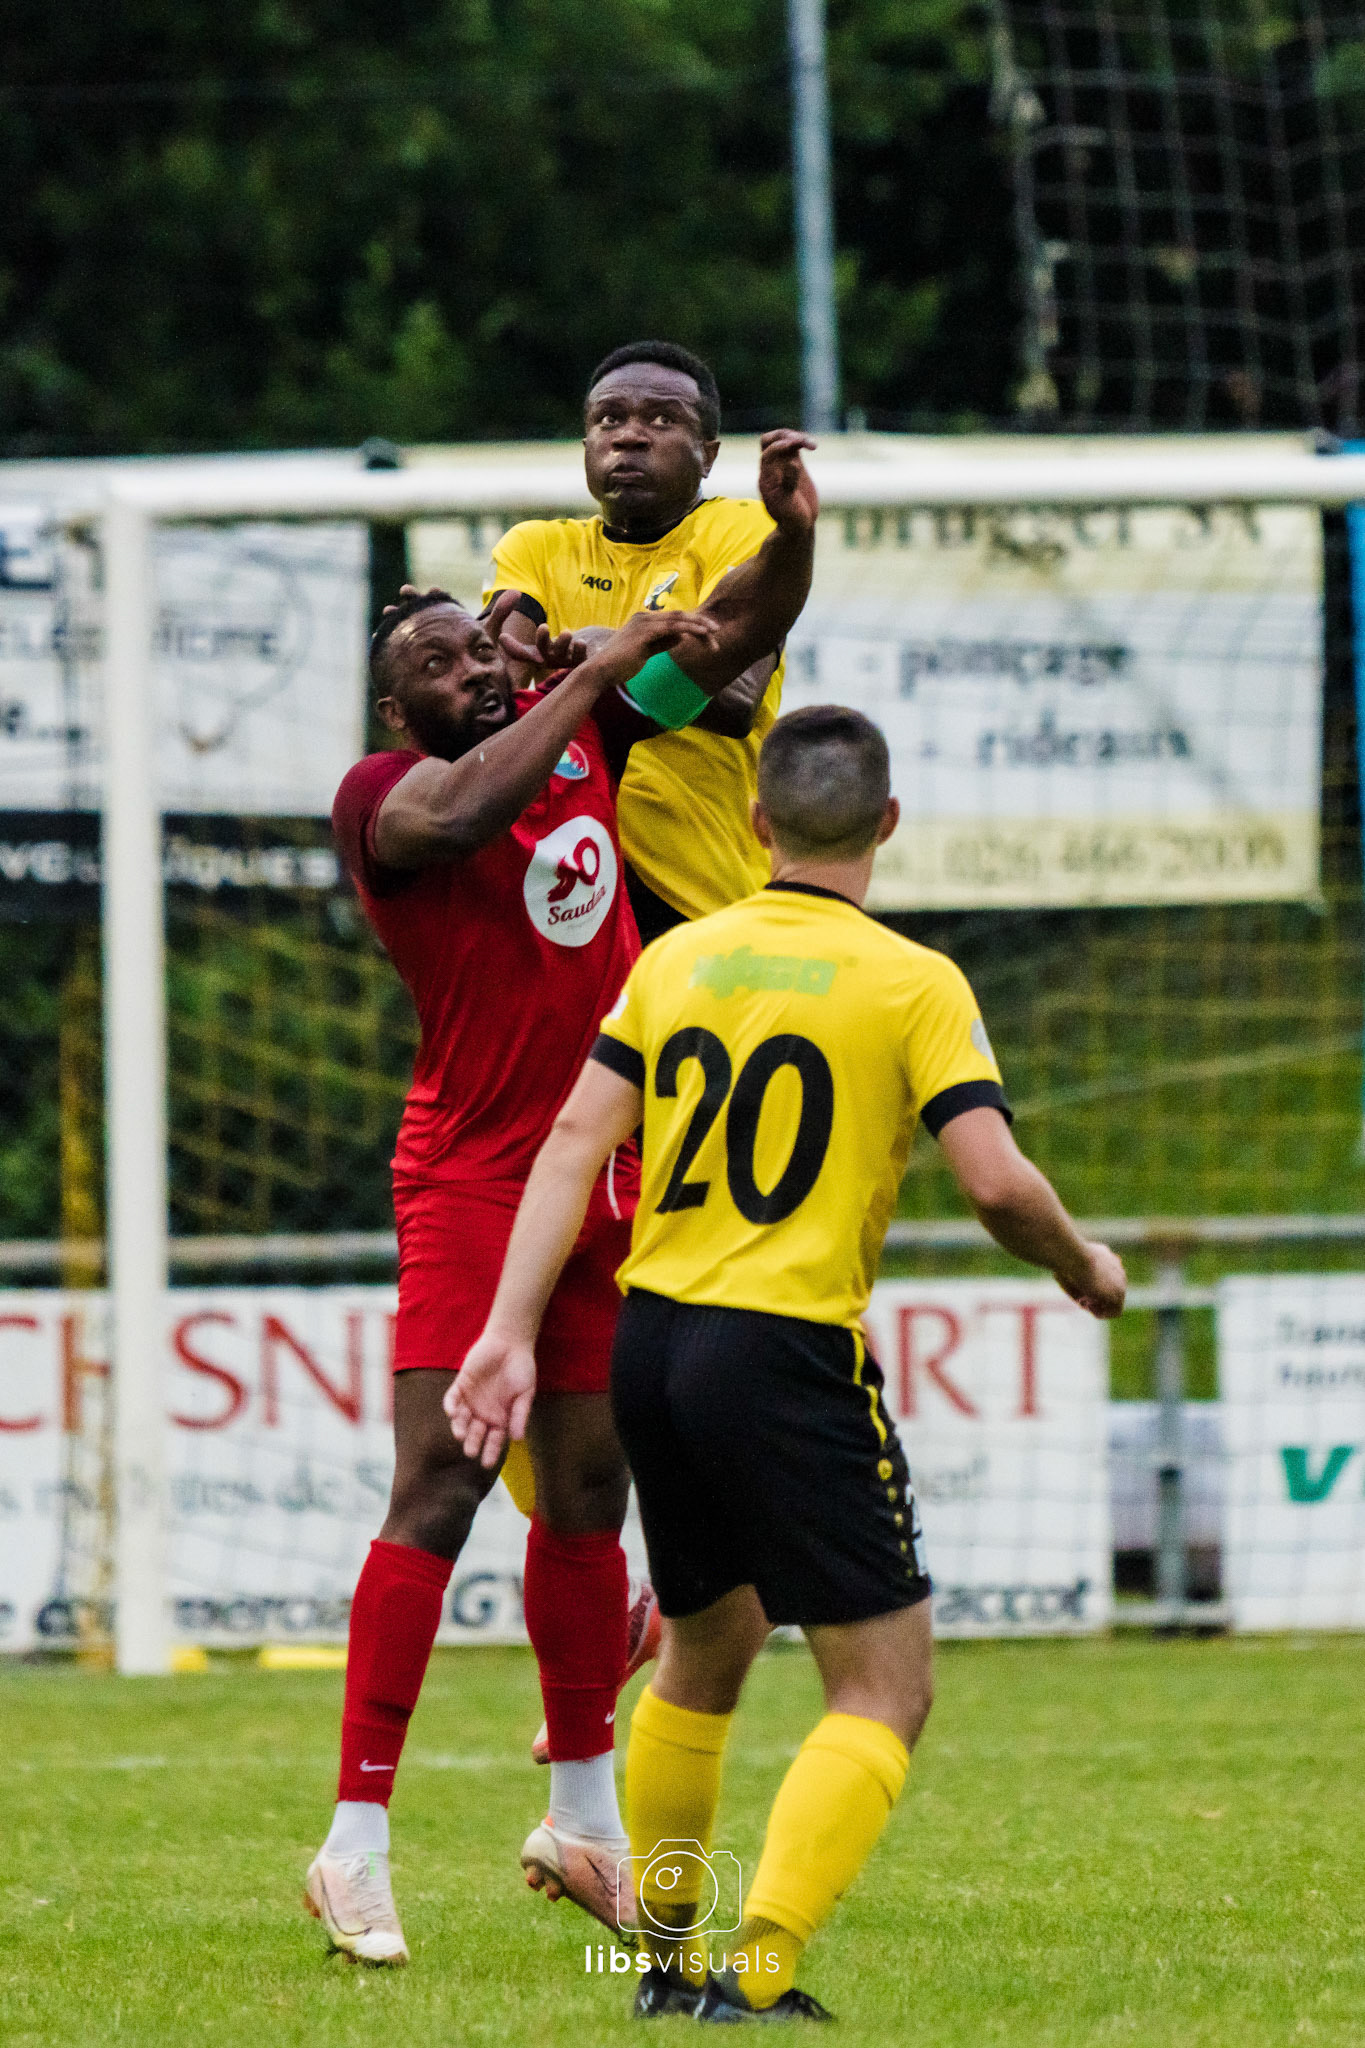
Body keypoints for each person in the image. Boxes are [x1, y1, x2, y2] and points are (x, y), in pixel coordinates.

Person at [450, 704, 1127, 2020]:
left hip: (654, 1342)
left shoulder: (679, 960)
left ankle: (664, 1967)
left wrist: (506, 1329)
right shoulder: (914, 981)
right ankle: (756, 1979)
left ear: (756, 820)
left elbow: (576, 1141)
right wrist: (1082, 1263)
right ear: (888, 822)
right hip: (783, 1346)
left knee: (705, 1653)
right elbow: (994, 1181)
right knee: (884, 1685)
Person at [303, 432, 819, 1968]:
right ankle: (351, 1845)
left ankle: (582, 1821)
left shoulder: (591, 735)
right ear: (395, 709)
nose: (472, 665)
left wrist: (791, 534)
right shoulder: (383, 796)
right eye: (438, 661)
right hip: (471, 1180)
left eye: (479, 645)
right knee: (441, 1487)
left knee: (592, 1495)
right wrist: (585, 669)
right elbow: (468, 815)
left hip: (604, 1175)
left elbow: (735, 630)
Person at [486, 340, 787, 947]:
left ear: (708, 454)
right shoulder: (536, 547)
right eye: (609, 418)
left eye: (662, 419)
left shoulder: (740, 528)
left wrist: (611, 655)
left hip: (698, 890)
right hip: (566, 884)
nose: (629, 436)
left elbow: (736, 697)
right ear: (587, 445)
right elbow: (496, 695)